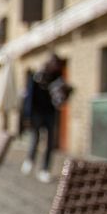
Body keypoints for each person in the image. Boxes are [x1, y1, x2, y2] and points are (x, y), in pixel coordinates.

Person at [22, 54, 71, 183]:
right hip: (37, 112)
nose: (55, 66)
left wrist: (67, 91)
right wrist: (27, 115)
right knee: (35, 138)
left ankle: (45, 169)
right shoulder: (37, 75)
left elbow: (62, 97)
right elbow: (29, 97)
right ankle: (30, 159)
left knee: (50, 142)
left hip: (50, 112)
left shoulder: (57, 77)